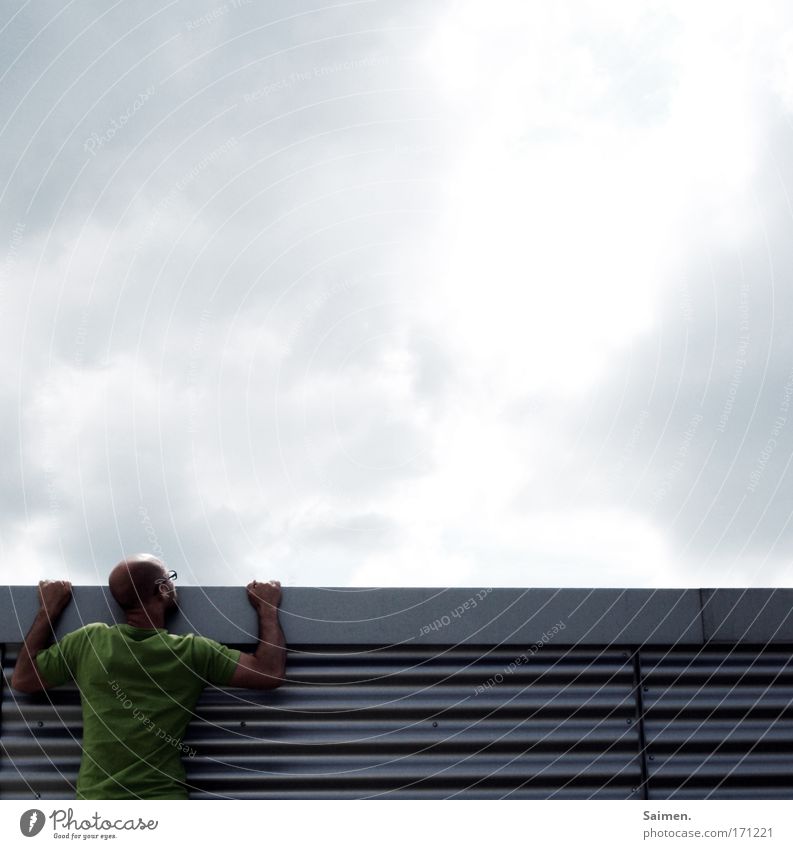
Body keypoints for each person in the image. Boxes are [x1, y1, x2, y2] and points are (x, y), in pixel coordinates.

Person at [10, 554, 286, 800]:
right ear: (163, 589)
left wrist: (49, 609)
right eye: (171, 579)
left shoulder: (89, 642)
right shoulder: (191, 652)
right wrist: (267, 608)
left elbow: (23, 679)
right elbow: (268, 672)